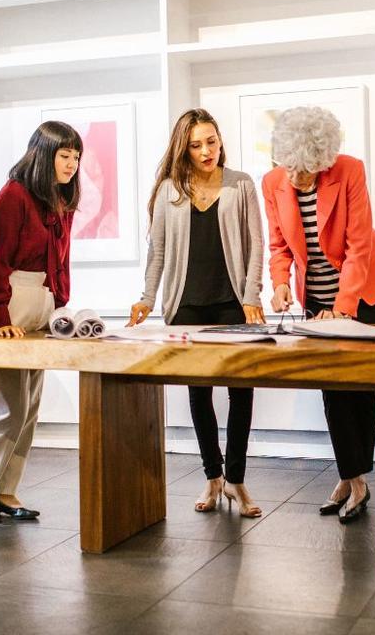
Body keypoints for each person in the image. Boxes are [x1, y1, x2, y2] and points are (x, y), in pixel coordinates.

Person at [262, 106, 375, 525]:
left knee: (358, 381)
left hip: (364, 290)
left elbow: (359, 247)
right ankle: (351, 478)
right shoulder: (272, 182)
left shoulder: (349, 171)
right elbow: (279, 246)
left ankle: (355, 479)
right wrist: (281, 282)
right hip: (315, 296)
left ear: (322, 163)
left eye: (304, 171)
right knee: (329, 384)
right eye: (288, 167)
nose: (294, 178)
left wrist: (342, 310)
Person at [128, 108, 265, 518]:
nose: (207, 150)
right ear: (183, 149)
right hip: (185, 306)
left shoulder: (241, 184)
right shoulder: (171, 189)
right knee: (198, 393)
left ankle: (237, 480)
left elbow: (256, 244)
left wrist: (252, 294)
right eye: (196, 144)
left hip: (232, 303)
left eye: (212, 141)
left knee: (241, 392)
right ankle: (213, 476)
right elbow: (158, 252)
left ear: (220, 140)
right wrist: (147, 299)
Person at [0, 121, 81, 523]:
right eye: (64, 156)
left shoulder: (60, 201)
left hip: (42, 304)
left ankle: (6, 490)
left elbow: (60, 263)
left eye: (76, 157)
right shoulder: (14, 195)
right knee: (8, 406)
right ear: (44, 155)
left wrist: (60, 307)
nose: (71, 164)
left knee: (30, 408)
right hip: (10, 301)